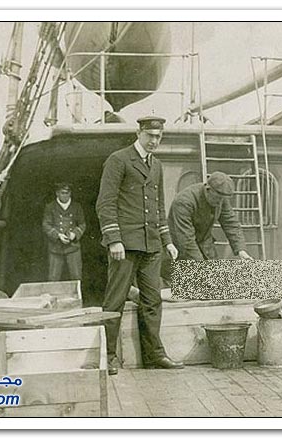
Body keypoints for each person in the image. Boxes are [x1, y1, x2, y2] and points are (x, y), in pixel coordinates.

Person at [96, 115, 182, 375]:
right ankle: (109, 356)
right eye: (150, 136)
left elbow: (158, 207)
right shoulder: (119, 160)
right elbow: (105, 203)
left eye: (159, 136)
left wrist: (167, 241)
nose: (154, 141)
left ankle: (154, 355)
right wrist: (114, 239)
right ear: (139, 133)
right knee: (115, 301)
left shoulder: (157, 165)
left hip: (151, 245)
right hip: (125, 245)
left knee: (153, 300)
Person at [168, 172, 253, 261]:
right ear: (208, 189)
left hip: (205, 246)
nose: (220, 203)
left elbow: (231, 223)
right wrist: (202, 265)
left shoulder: (220, 198)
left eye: (222, 199)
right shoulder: (184, 202)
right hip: (179, 250)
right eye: (218, 198)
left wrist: (241, 250)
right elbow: (186, 240)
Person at [42, 182, 86, 281]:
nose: (65, 195)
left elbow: (82, 224)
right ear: (57, 193)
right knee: (53, 277)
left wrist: (74, 234)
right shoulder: (50, 207)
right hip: (55, 247)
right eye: (62, 193)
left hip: (73, 247)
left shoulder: (76, 206)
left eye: (67, 193)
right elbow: (46, 225)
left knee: (76, 276)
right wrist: (58, 235)